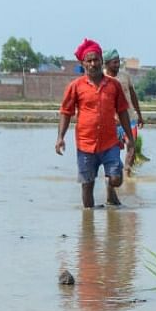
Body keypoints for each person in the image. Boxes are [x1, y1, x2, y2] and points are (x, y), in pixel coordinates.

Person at [56, 39, 134, 208]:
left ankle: (110, 185)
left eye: (96, 59)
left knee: (116, 179)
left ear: (101, 61)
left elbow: (122, 111)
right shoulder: (75, 86)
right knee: (87, 186)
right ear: (83, 64)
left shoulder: (113, 85)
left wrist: (129, 137)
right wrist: (60, 137)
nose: (93, 63)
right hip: (86, 145)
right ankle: (88, 227)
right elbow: (66, 112)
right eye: (89, 61)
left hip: (109, 143)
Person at [104, 49, 145, 176]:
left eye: (118, 62)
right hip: (112, 122)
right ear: (106, 64)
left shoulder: (125, 76)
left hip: (130, 118)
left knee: (131, 145)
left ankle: (127, 171)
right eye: (114, 62)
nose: (117, 65)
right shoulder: (102, 78)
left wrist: (139, 115)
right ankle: (115, 173)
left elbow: (133, 95)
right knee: (113, 151)